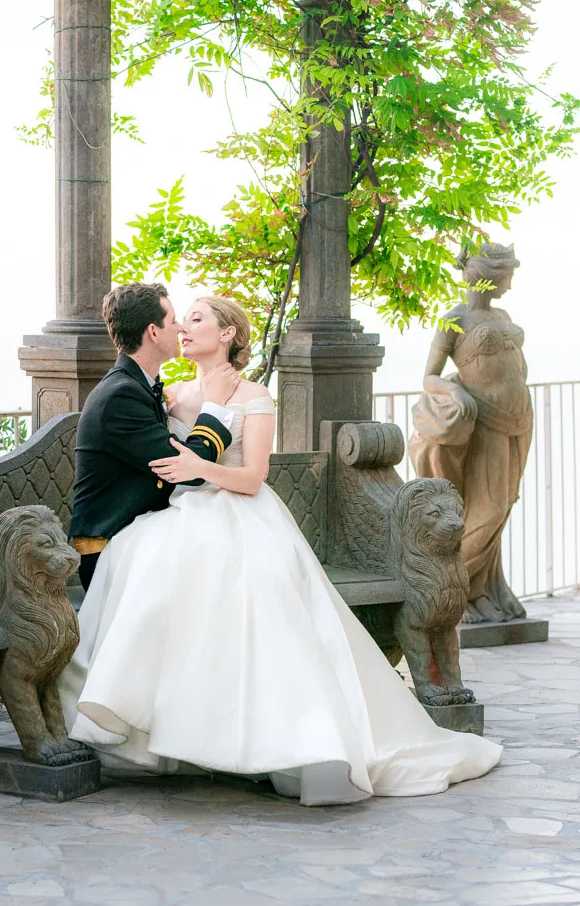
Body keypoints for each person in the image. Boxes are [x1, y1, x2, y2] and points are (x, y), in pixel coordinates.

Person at [60, 296, 502, 805]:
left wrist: (201, 467)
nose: (183, 326)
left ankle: (294, 736)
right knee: (171, 579)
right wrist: (196, 446)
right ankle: (198, 732)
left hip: (242, 513)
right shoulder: (171, 394)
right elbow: (166, 459)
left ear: (228, 334)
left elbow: (252, 477)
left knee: (257, 588)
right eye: (179, 319)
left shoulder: (253, 395)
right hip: (181, 516)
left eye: (197, 318)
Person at [68, 282, 239, 592]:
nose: (180, 328)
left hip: (142, 529)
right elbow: (190, 469)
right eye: (173, 320)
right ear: (154, 332)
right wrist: (214, 404)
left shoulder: (140, 385)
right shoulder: (122, 395)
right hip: (109, 545)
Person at [409, 244, 532, 624]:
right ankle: (448, 586)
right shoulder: (454, 319)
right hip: (485, 420)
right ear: (489, 277)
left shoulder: (503, 314)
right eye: (506, 278)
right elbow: (429, 377)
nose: (509, 287)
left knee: (503, 503)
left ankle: (483, 589)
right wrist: (456, 390)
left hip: (519, 419)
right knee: (487, 508)